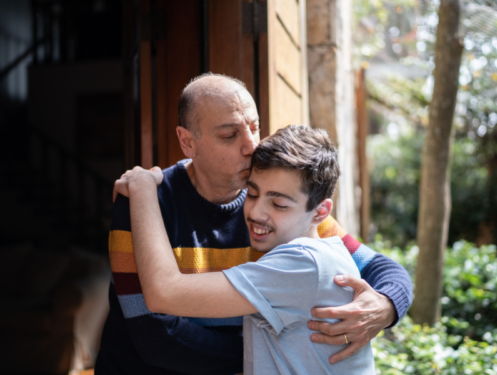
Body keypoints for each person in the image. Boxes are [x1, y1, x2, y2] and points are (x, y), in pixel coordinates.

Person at [95, 73, 412, 375]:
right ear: (187, 142)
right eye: (230, 135)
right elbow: (156, 340)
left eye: (254, 127)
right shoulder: (143, 204)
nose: (251, 146)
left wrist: (385, 306)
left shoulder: (280, 210)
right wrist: (281, 350)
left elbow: (382, 269)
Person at [116, 125, 376, 374]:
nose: (256, 212)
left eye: (278, 204)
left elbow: (164, 292)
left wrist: (143, 189)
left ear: (320, 212)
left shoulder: (303, 264)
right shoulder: (324, 252)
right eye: (251, 194)